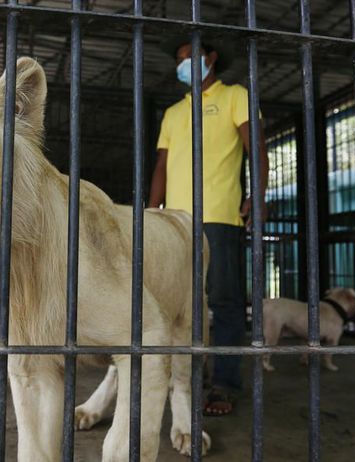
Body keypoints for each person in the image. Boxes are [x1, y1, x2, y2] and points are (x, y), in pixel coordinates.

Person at [149, 34, 269, 415]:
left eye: (191, 57)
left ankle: (224, 384)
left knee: (225, 302)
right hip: (174, 224)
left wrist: (258, 196)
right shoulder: (173, 113)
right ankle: (187, 379)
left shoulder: (236, 97)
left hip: (218, 217)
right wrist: (151, 212)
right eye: (180, 59)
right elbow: (161, 168)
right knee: (180, 303)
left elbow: (258, 150)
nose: (184, 64)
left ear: (211, 58)